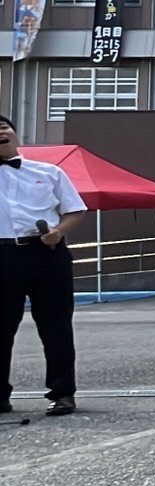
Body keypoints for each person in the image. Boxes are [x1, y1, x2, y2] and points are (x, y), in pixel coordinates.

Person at [0, 114, 86, 417]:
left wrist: (57, 233)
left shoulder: (49, 172)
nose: (1, 133)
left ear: (15, 134)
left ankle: (62, 394)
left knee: (56, 326)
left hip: (46, 253)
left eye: (4, 128)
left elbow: (74, 210)